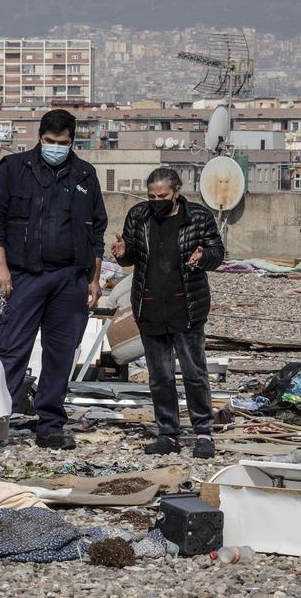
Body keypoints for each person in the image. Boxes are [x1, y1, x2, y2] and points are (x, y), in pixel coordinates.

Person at [0, 109, 108, 450]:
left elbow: (97, 231)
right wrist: (0, 265)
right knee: (10, 350)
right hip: (24, 276)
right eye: (49, 142)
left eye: (61, 143)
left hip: (70, 278)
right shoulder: (14, 169)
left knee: (61, 353)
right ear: (39, 137)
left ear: (72, 141)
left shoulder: (84, 175)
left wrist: (94, 281)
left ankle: (50, 423)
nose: (55, 148)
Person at [112, 167, 225, 458]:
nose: (156, 200)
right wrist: (122, 252)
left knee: (194, 372)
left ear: (177, 191)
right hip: (149, 306)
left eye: (162, 195)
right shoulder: (139, 216)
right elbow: (130, 255)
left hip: (186, 307)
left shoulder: (198, 217)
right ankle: (168, 433)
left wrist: (203, 257)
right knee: (159, 375)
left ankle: (203, 431)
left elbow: (217, 253)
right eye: (152, 196)